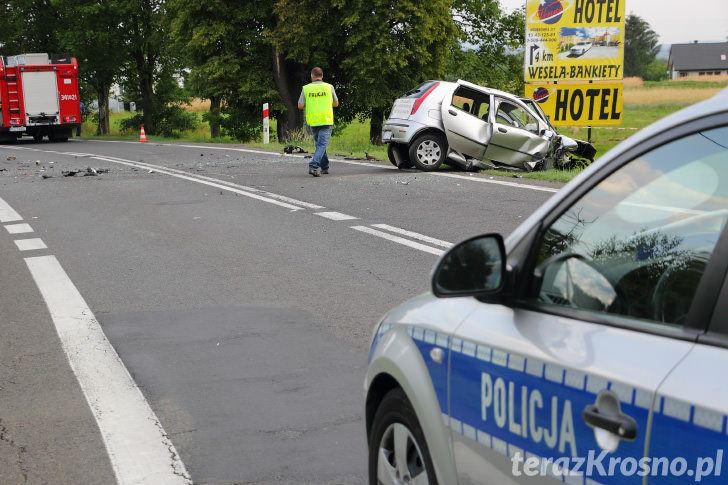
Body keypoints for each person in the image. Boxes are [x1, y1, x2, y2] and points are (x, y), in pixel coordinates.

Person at [298, 67, 339, 177]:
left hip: (313, 122)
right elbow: (336, 103)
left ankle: (325, 168)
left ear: (312, 76)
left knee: (320, 145)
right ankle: (313, 166)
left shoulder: (306, 88)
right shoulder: (329, 87)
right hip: (326, 121)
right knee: (321, 145)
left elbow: (300, 105)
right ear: (322, 76)